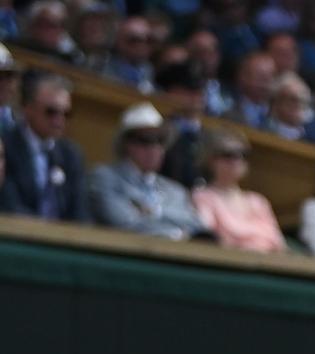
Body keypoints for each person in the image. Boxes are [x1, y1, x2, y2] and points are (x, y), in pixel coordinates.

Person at [89, 102, 206, 241]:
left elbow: (197, 226)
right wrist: (177, 232)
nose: (155, 149)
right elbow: (125, 223)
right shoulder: (104, 177)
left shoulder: (175, 190)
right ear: (127, 144)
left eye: (160, 141)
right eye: (146, 140)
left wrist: (153, 211)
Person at [1, 72, 89, 223]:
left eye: (66, 114)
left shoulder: (71, 154)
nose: (59, 120)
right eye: (51, 112)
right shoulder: (5, 145)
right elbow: (9, 205)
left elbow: (80, 213)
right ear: (28, 108)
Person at [192, 132, 284, 252]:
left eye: (243, 155)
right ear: (211, 160)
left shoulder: (258, 201)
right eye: (229, 155)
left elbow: (278, 243)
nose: (237, 160)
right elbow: (210, 239)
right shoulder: (203, 197)